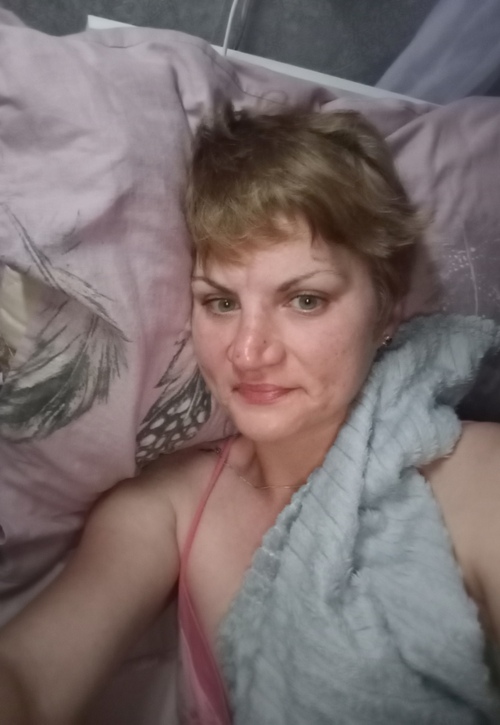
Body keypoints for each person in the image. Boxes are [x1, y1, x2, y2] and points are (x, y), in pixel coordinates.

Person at [0, 106, 499, 725]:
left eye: (305, 299)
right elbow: (28, 681)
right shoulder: (168, 508)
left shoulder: (477, 476)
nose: (247, 350)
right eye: (221, 302)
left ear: (387, 310)